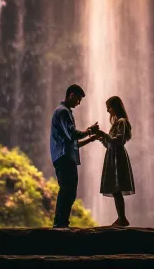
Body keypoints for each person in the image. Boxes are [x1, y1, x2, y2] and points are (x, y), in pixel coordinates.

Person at [50, 84, 99, 228]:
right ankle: (60, 224)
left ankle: (61, 223)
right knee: (68, 191)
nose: (79, 103)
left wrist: (90, 138)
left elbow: (71, 142)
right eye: (78, 99)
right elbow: (72, 135)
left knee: (68, 190)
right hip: (64, 157)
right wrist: (89, 131)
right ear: (71, 95)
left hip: (63, 156)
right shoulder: (63, 112)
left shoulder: (63, 111)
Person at [96, 96, 135, 226]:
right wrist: (101, 138)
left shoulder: (122, 122)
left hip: (117, 156)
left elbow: (119, 140)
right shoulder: (117, 123)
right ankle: (121, 217)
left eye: (109, 107)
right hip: (113, 155)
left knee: (116, 187)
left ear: (116, 107)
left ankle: (122, 218)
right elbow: (110, 144)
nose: (108, 110)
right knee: (115, 188)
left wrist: (104, 135)